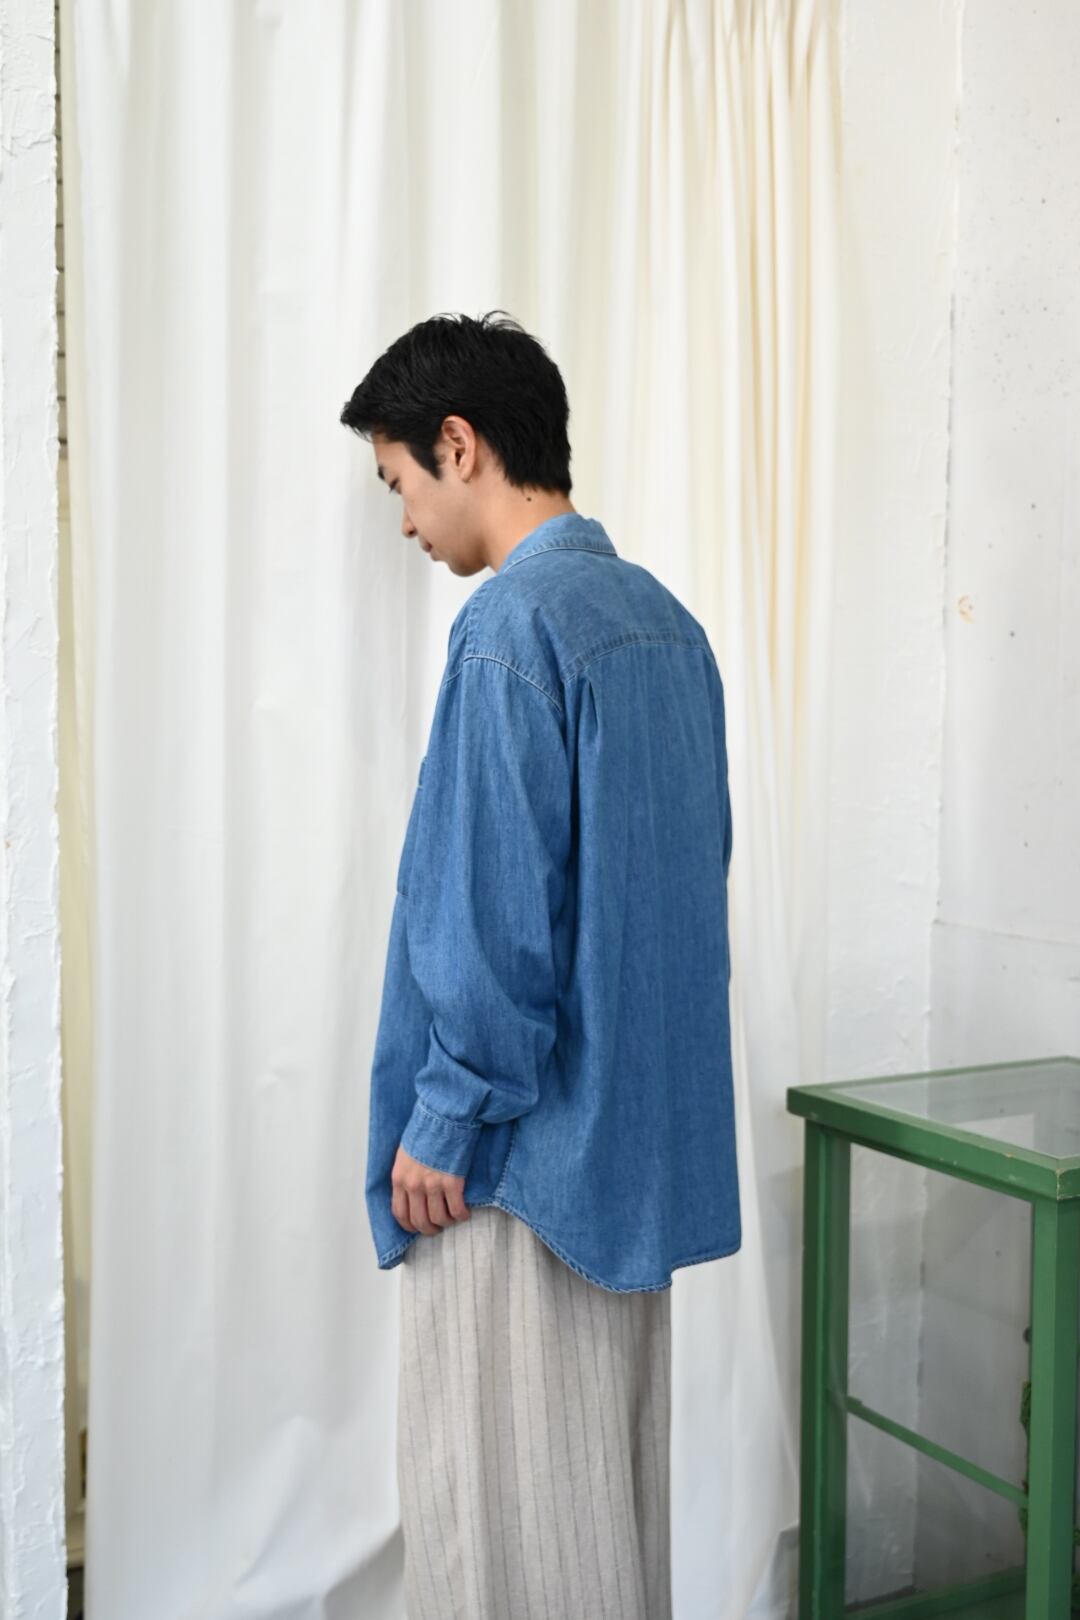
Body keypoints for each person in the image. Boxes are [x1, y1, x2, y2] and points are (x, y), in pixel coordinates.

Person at [340, 310, 740, 1620]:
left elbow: (497, 914)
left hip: (517, 1171)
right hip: (630, 1166)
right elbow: (690, 886)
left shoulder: (509, 628)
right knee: (605, 1525)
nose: (406, 521)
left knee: (501, 1538)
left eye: (399, 481)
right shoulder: (669, 627)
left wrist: (444, 1117)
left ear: (459, 445)